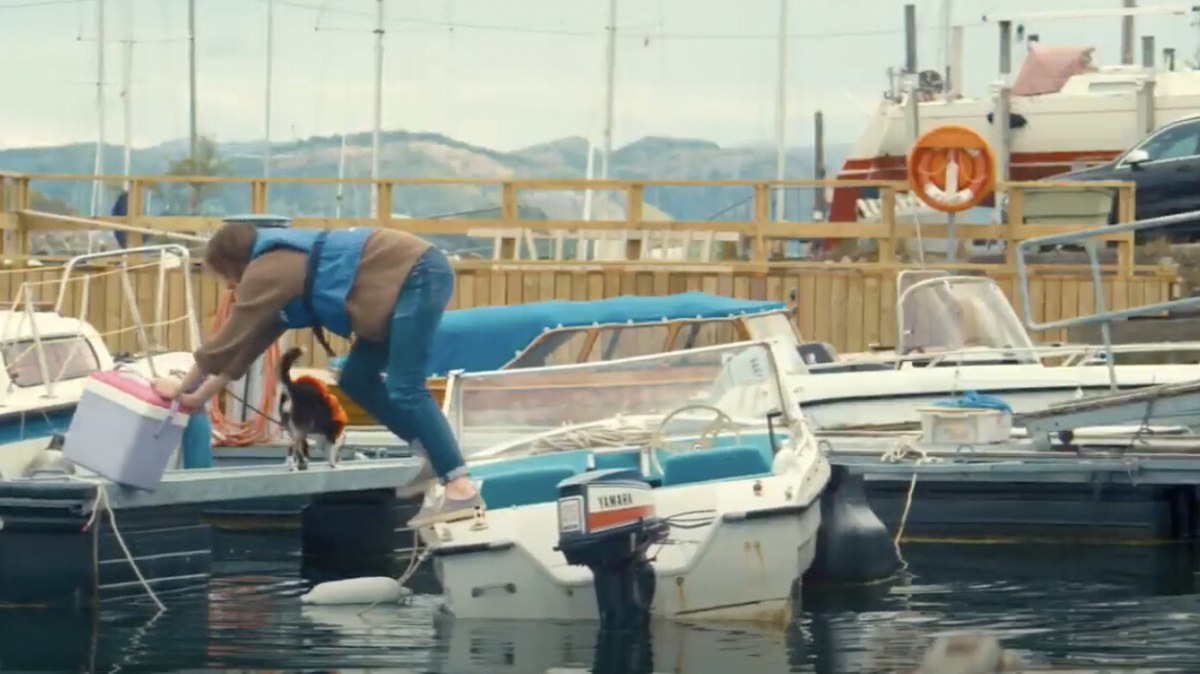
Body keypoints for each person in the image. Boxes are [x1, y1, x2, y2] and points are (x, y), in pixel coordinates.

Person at [151, 223, 484, 527]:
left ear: (233, 262)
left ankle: (461, 488)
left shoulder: (268, 268)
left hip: (416, 272)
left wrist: (179, 388)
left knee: (404, 385)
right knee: (356, 378)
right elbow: (243, 351)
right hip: (393, 289)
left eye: (225, 275)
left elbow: (223, 342)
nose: (228, 285)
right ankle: (432, 454)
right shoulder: (279, 275)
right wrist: (197, 397)